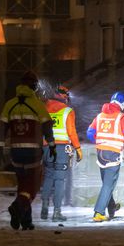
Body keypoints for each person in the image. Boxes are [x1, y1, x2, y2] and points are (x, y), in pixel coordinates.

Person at [0, 71, 56, 230]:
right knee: (33, 186)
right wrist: (51, 145)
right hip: (33, 152)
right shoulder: (37, 105)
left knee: (22, 185)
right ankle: (17, 207)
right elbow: (47, 126)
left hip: (15, 152)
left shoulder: (10, 104)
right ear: (34, 86)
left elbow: (2, 127)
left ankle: (25, 220)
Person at [87, 92, 124, 222]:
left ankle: (111, 207)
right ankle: (98, 212)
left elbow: (90, 133)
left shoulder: (99, 116)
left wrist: (100, 142)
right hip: (113, 154)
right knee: (108, 185)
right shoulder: (121, 117)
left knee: (106, 183)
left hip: (100, 153)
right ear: (122, 103)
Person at [40, 85, 83, 222]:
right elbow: (72, 132)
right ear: (64, 96)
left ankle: (44, 206)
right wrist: (77, 148)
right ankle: (56, 212)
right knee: (59, 179)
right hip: (61, 148)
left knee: (48, 176)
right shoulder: (67, 111)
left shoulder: (44, 109)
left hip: (47, 147)